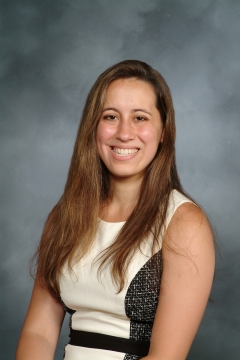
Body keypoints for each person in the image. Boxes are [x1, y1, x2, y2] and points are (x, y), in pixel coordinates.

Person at [16, 60, 215, 360]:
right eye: (110, 116)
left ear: (164, 131)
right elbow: (38, 333)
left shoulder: (184, 223)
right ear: (93, 127)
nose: (124, 133)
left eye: (140, 118)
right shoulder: (65, 216)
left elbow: (166, 357)